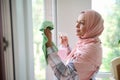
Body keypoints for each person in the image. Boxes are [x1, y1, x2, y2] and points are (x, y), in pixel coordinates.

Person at [44, 9, 104, 80]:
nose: (76, 25)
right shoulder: (87, 43)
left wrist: (49, 45)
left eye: (82, 23)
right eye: (77, 22)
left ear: (92, 27)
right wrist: (66, 46)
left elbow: (65, 75)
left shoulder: (91, 49)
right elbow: (74, 63)